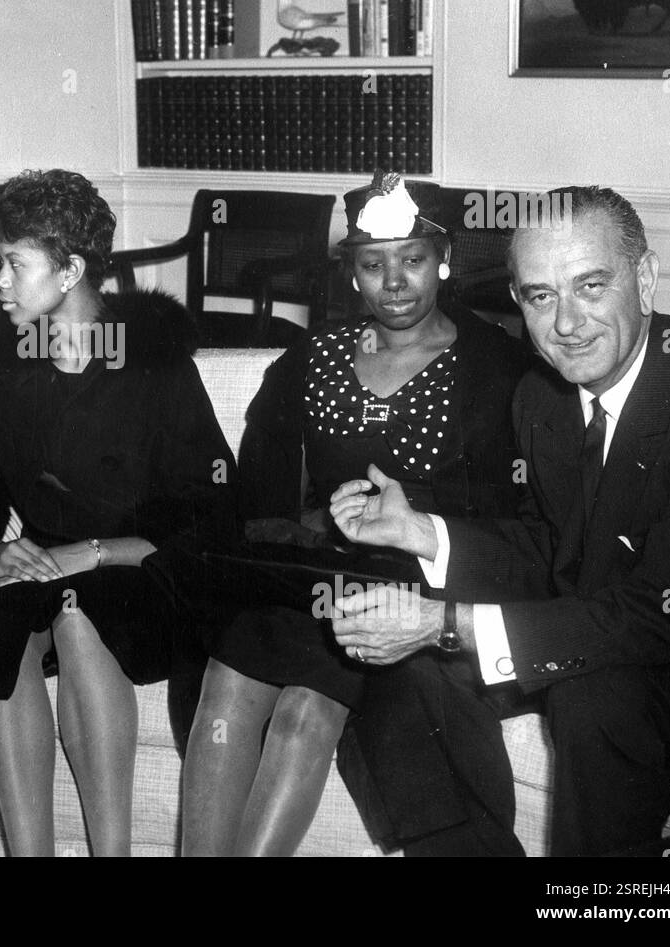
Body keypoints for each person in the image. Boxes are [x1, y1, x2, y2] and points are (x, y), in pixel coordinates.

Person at [329, 186, 670, 856]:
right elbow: (551, 550)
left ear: (647, 278)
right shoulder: (542, 396)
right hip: (619, 639)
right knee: (406, 676)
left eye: (590, 286)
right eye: (541, 295)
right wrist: (423, 531)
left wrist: (450, 624)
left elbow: (654, 614)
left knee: (590, 693)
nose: (567, 322)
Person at [0, 168, 237, 856]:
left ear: (72, 268)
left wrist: (97, 551)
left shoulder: (154, 362)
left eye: (15, 264)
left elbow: (214, 512)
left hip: (149, 576)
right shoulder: (3, 362)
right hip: (46, 565)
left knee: (78, 610)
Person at [179, 172, 533, 856]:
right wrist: (314, 520)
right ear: (352, 276)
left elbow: (512, 522)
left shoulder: (497, 368)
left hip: (416, 590)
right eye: (373, 266)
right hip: (305, 575)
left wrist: (414, 526)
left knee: (305, 707)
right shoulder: (313, 358)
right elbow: (261, 496)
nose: (394, 282)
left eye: (413, 261)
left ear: (446, 260)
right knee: (227, 677)